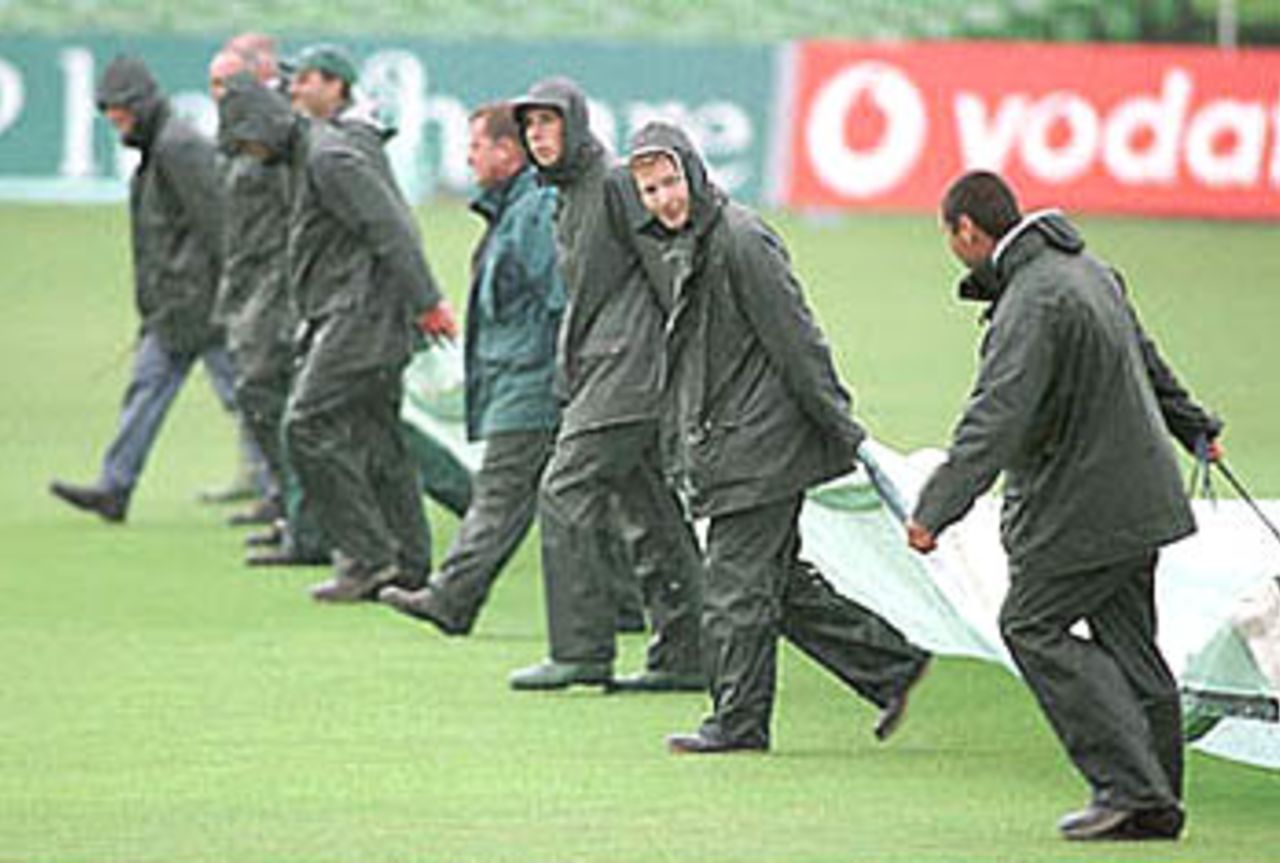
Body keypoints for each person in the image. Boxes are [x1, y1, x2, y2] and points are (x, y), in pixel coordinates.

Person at [906, 170, 1222, 841]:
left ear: (966, 230)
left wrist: (936, 508)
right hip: (1139, 500)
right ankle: (1155, 797)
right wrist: (1195, 425)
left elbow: (995, 418)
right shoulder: (1090, 271)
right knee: (1133, 648)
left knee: (1031, 624)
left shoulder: (1033, 300)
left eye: (951, 237)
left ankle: (1129, 786)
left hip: (1088, 509)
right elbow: (1149, 363)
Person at [623, 122, 931, 753]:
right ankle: (892, 665)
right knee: (779, 585)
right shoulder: (696, 241)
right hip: (742, 443)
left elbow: (797, 339)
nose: (662, 200)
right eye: (649, 191)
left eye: (669, 183)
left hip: (757, 447)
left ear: (694, 171)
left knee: (734, 588)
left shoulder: (740, 240)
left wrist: (843, 428)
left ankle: (737, 725)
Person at [506, 77, 704, 691]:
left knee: (564, 491)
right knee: (652, 510)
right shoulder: (568, 192)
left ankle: (582, 650)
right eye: (530, 125)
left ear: (576, 122)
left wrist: (687, 364)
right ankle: (687, 654)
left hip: (630, 371)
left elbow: (670, 270)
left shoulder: (614, 184)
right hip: (613, 369)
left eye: (549, 122)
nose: (539, 135)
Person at [379, 102, 565, 634]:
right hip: (528, 373)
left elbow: (559, 298)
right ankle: (625, 602)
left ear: (507, 153)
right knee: (597, 499)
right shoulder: (518, 207)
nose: (467, 155)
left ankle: (452, 598)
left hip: (532, 378)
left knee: (501, 494)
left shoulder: (532, 212)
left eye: (476, 145)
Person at [283, 44, 456, 601]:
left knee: (306, 424)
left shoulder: (332, 154)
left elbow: (390, 228)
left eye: (305, 79)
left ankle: (365, 557)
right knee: (378, 435)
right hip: (370, 310)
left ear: (337, 86)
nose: (294, 89)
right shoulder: (349, 143)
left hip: (357, 314)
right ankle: (407, 561)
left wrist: (428, 300)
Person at [49, 55, 234, 524]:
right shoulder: (165, 146)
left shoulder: (177, 149)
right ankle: (114, 487)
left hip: (204, 306)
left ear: (141, 105)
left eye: (120, 113)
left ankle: (293, 499)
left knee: (250, 401)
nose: (115, 122)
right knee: (150, 393)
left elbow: (220, 225)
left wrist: (234, 292)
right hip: (176, 308)